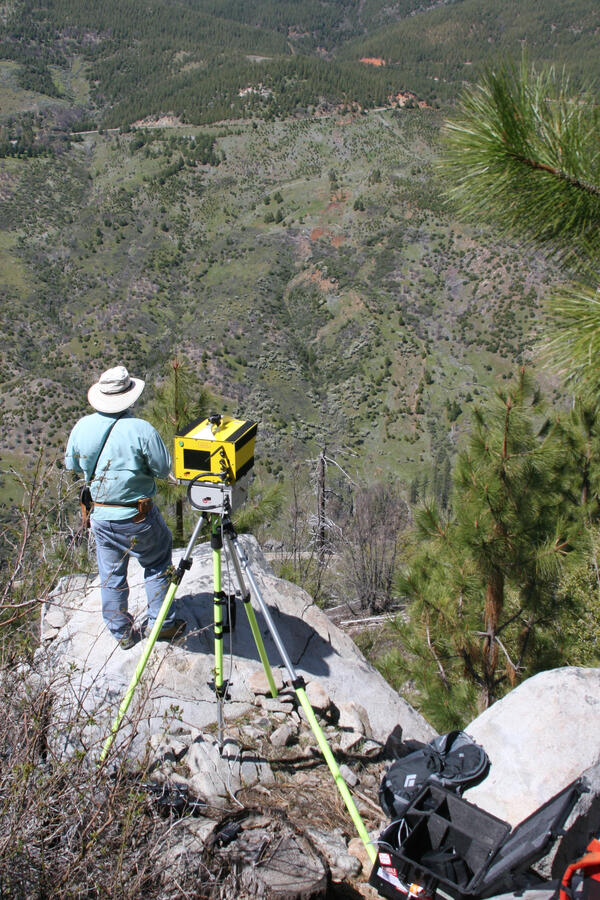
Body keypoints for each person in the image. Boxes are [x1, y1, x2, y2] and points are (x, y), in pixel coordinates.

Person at [65, 365, 185, 649]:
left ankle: (122, 632)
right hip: (137, 515)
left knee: (111, 573)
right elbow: (162, 468)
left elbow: (72, 465)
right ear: (129, 397)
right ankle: (162, 625)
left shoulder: (82, 426)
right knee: (157, 560)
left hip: (101, 515)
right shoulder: (141, 429)